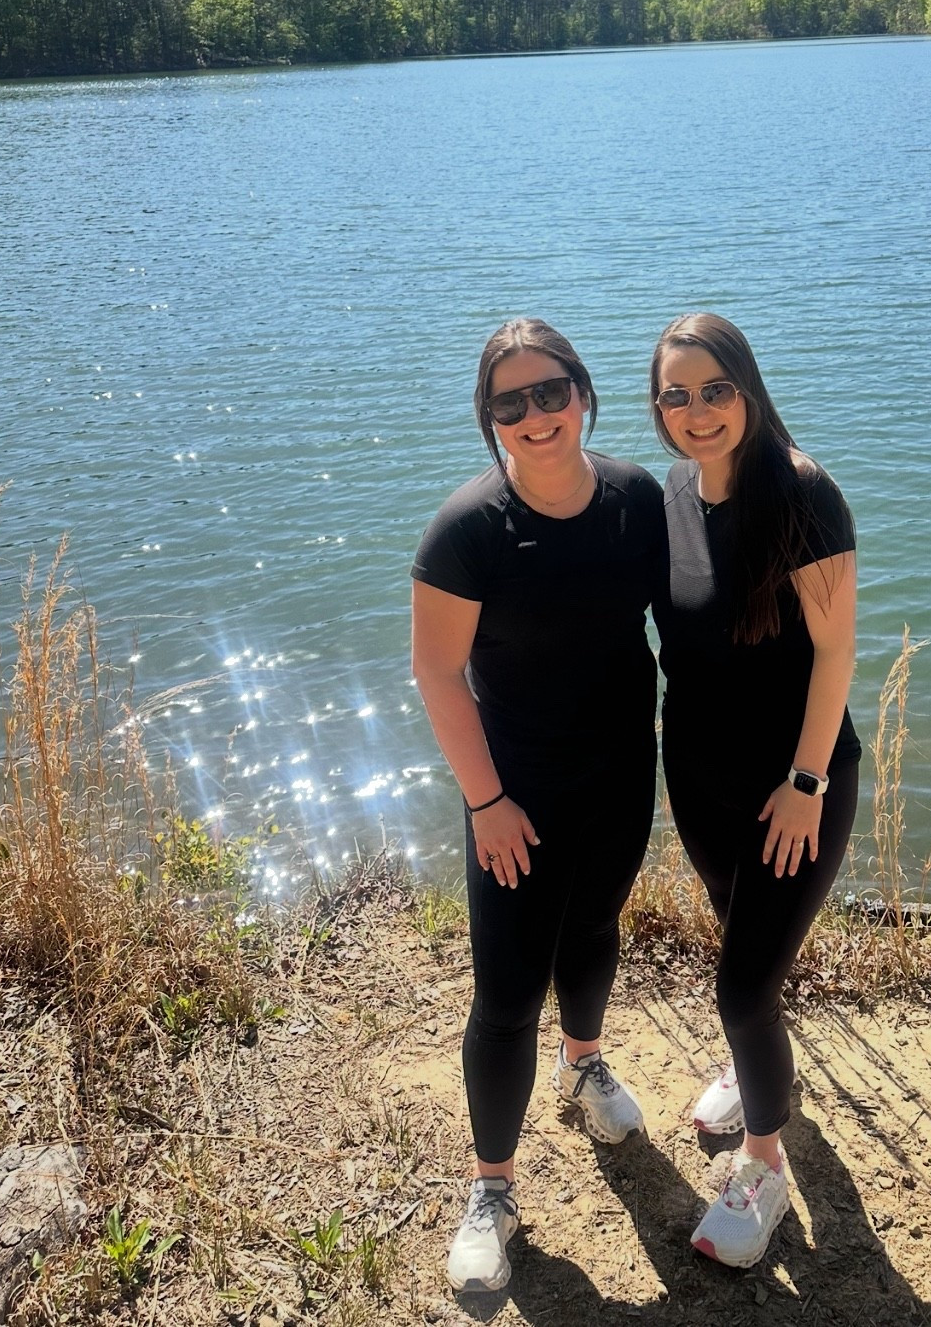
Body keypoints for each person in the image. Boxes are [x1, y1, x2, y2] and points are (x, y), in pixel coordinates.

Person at [411, 318, 664, 1293]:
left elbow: (693, 613)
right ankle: (493, 1189)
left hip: (620, 778)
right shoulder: (469, 529)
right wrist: (487, 800)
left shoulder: (638, 500)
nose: (535, 414)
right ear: (490, 418)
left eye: (550, 391)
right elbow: (438, 673)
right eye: (509, 402)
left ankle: (584, 1063)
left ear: (583, 392)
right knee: (509, 993)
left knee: (594, 928)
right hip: (513, 795)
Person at [650, 312, 860, 1269]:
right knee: (742, 945)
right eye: (676, 395)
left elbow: (835, 651)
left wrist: (807, 779)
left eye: (715, 389)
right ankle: (757, 1065)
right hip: (700, 777)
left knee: (740, 984)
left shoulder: (803, 492)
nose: (697, 411)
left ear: (748, 388)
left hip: (795, 786)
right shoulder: (672, 493)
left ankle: (764, 1162)